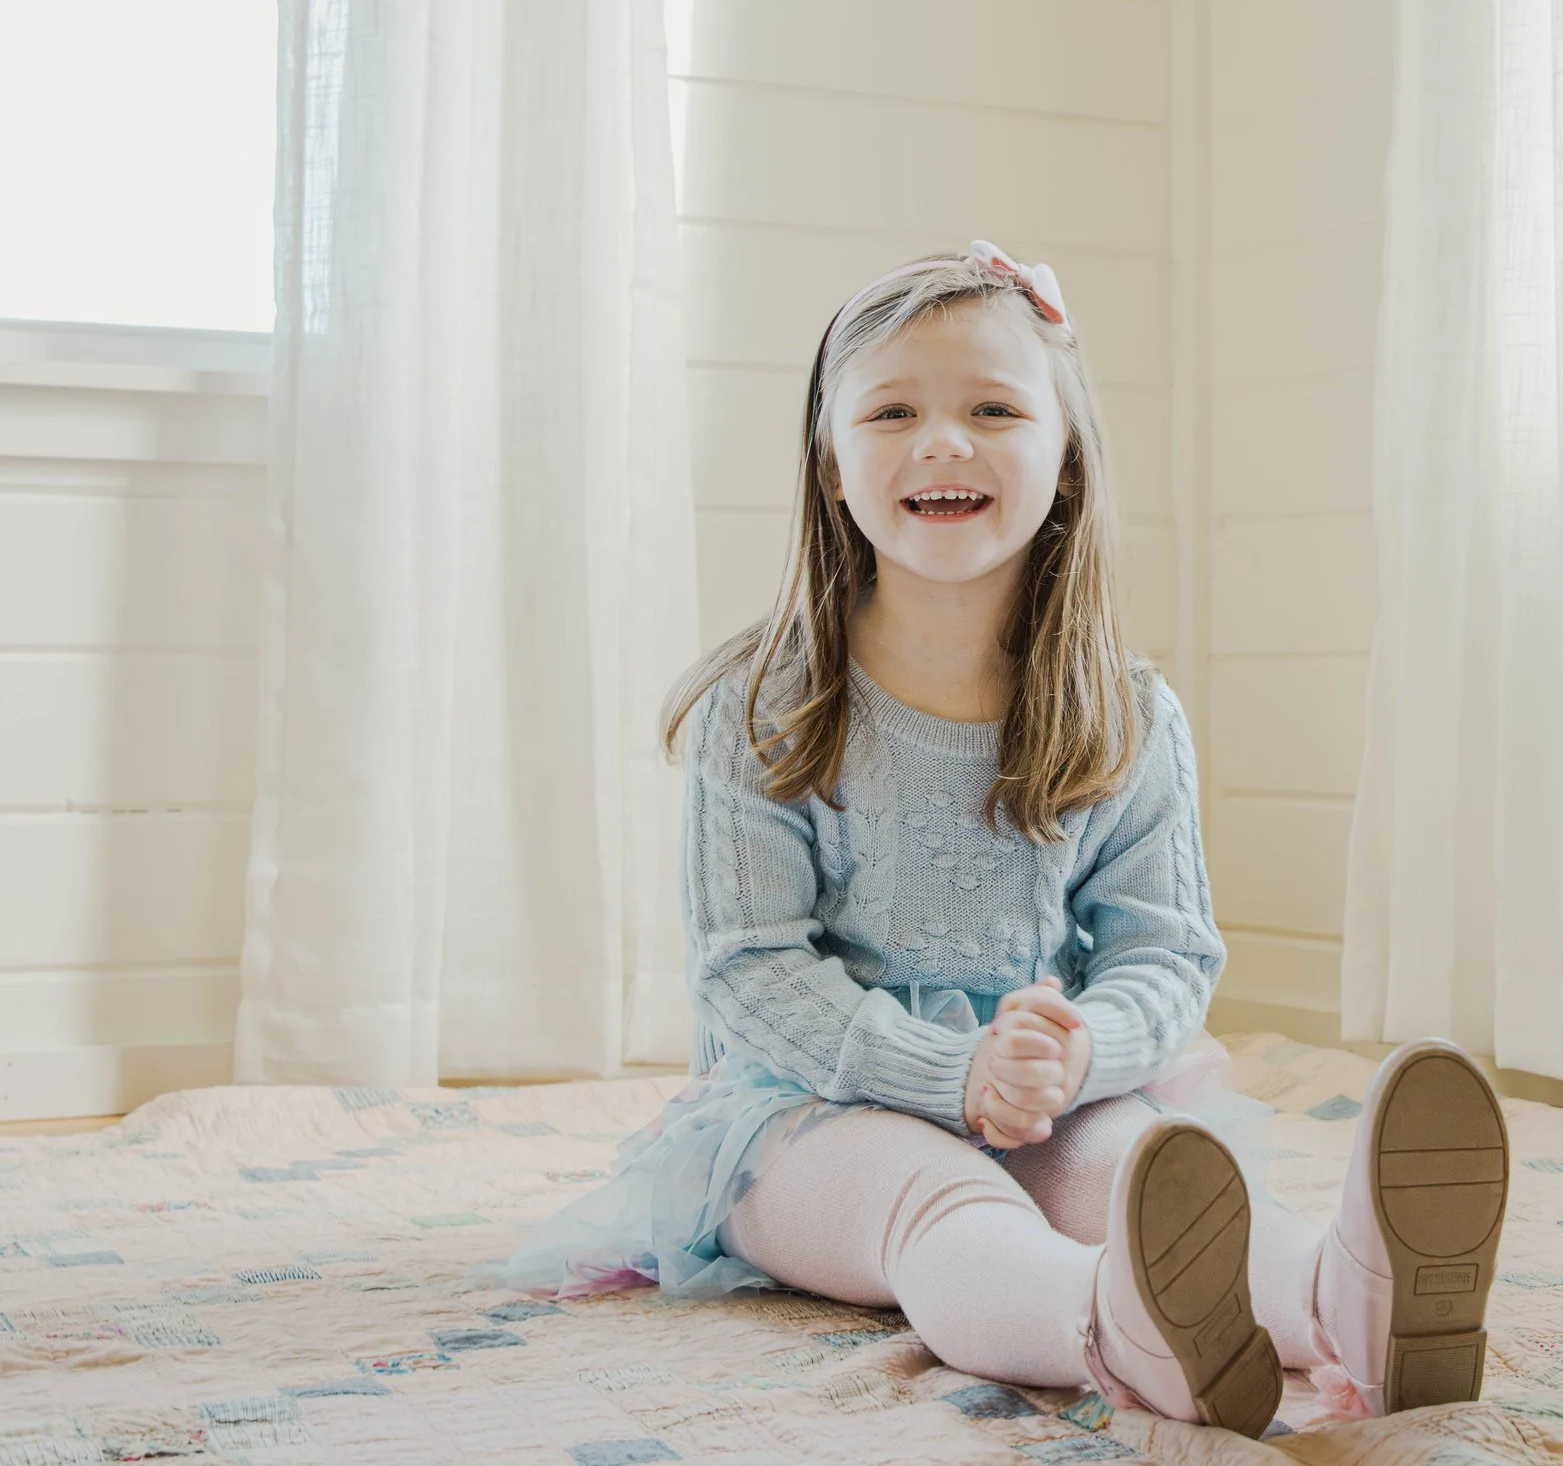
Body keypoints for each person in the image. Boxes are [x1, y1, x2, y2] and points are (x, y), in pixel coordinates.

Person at [498, 243, 1512, 1434]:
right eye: (892, 411)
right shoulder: (763, 706)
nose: (943, 440)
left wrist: (1074, 1056)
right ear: (830, 465)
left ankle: (1345, 1297)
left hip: (1043, 1092)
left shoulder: (1123, 709)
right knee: (937, 1202)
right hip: (805, 1112)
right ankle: (1115, 1322)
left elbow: (1165, 955)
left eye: (992, 407)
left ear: (1063, 458)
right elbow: (749, 970)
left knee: (1137, 1169)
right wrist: (949, 1074)